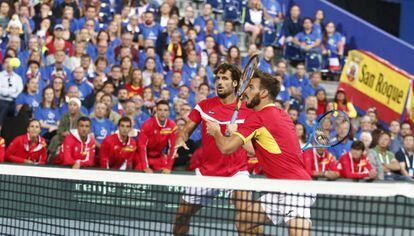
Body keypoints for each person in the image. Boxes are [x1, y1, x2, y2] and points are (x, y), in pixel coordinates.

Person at [204, 70, 313, 235]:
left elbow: (226, 148)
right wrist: (235, 133)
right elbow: (257, 149)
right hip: (278, 189)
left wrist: (216, 132)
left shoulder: (257, 118)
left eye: (250, 87)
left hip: (295, 187)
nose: (245, 91)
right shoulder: (282, 115)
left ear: (263, 93)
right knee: (244, 222)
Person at [173, 63, 253, 235]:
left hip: (236, 172)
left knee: (246, 216)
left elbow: (254, 145)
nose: (220, 82)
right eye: (218, 78)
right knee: (181, 217)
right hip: (207, 173)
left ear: (235, 83)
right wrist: (180, 140)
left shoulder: (248, 110)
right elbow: (185, 130)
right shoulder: (204, 106)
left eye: (225, 78)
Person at [136, 100, 177, 173]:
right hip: (143, 156)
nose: (163, 113)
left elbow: (173, 147)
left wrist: (169, 167)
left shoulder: (172, 126)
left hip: (159, 157)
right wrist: (145, 166)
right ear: (156, 111)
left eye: (165, 110)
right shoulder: (147, 125)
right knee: (140, 171)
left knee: (166, 172)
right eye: (160, 110)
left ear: (168, 112)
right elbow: (142, 147)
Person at [0, 56, 23, 131]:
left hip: (14, 102)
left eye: (10, 62)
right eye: (6, 62)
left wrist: (6, 91)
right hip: (1, 101)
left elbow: (19, 91)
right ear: (3, 64)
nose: (8, 65)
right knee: (4, 108)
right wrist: (12, 91)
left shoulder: (18, 78)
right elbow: (1, 91)